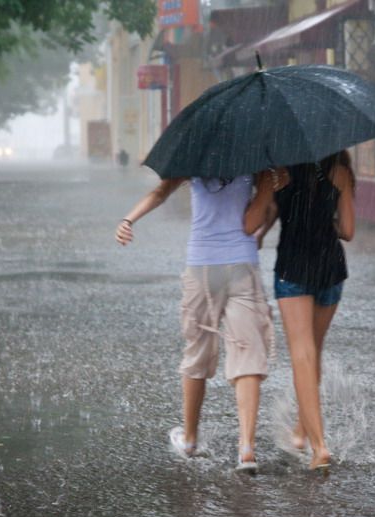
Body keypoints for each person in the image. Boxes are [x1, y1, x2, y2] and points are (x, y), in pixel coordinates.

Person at [115, 175, 273, 473]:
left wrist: (128, 220)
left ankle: (189, 440)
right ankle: (247, 449)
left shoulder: (195, 155)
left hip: (202, 263)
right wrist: (267, 189)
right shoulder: (254, 157)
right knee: (248, 354)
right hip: (243, 264)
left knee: (197, 351)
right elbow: (258, 220)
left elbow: (160, 192)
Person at [244, 150, 355, 472]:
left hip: (293, 270)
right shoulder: (340, 171)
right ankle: (300, 432)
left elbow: (255, 220)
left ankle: (319, 447)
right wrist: (323, 222)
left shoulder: (277, 171)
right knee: (313, 353)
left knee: (302, 355)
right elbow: (348, 230)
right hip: (331, 268)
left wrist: (266, 204)